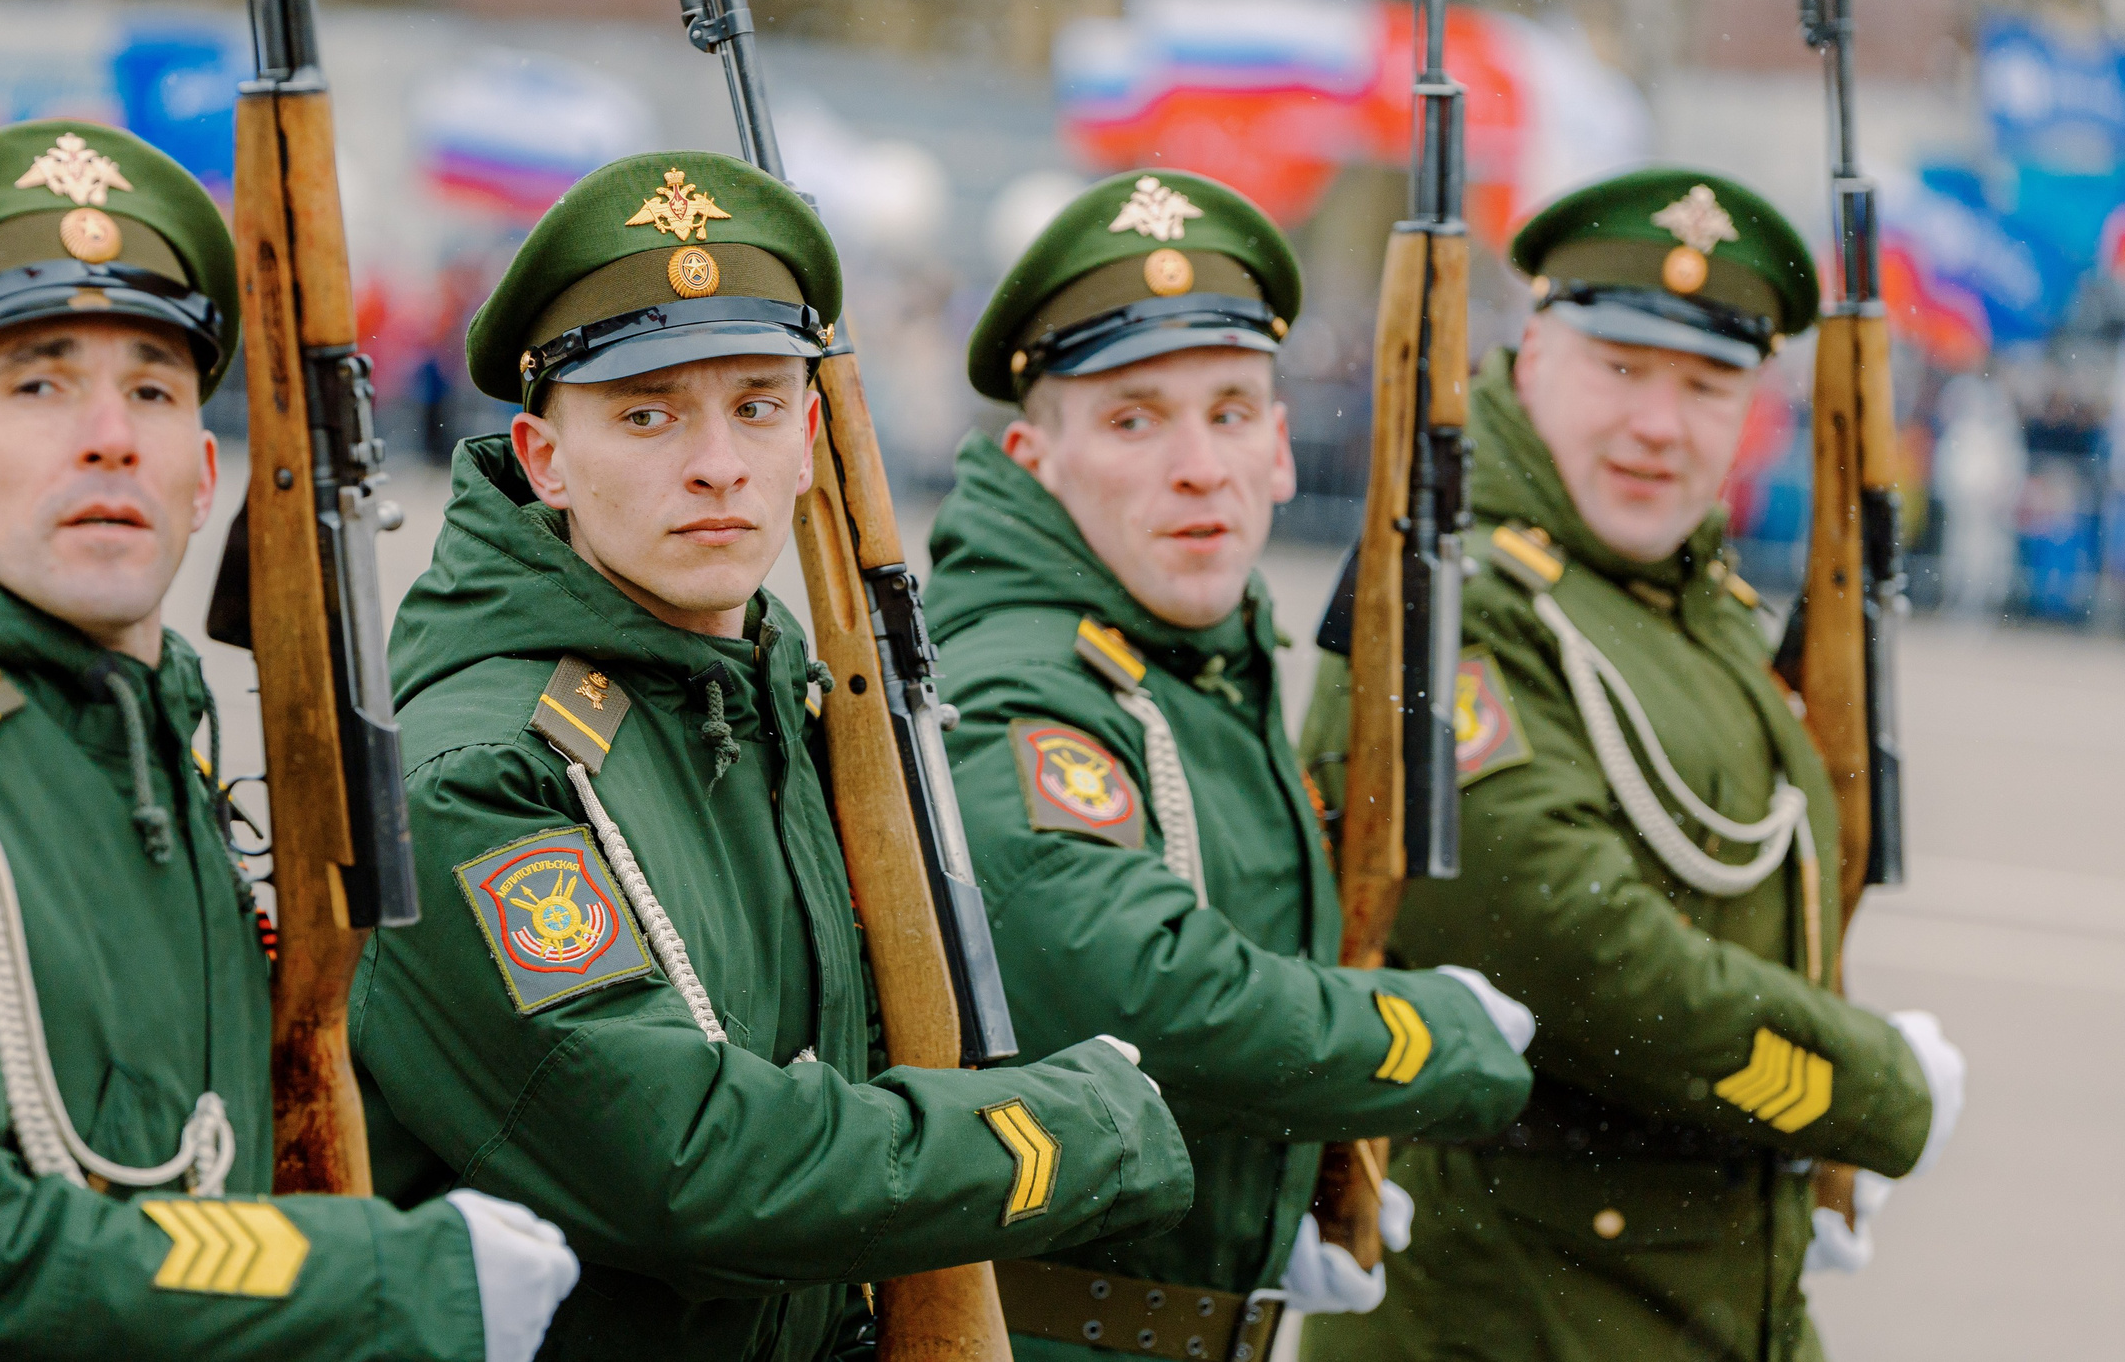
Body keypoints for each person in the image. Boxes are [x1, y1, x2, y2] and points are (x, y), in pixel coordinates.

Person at [0, 121, 577, 1361]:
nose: (111, 433)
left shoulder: (141, 733)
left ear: (201, 474)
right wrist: (386, 1276)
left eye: (153, 391)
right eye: (38, 383)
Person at [351, 150, 1195, 1361]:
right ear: (544, 460)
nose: (715, 463)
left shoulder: (780, 713)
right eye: (647, 413)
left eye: (752, 405)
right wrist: (1071, 1131)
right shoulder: (486, 773)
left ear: (809, 441)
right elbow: (683, 1171)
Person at [1297, 169, 1966, 1362]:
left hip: (1715, 1301)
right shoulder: (1451, 602)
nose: (1660, 425)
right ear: (1533, 353)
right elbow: (1562, 943)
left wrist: (1797, 1148)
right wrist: (1864, 1092)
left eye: (1708, 385)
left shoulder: (1693, 599)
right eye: (1620, 370)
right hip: (1516, 1312)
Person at [924, 169, 1538, 1362]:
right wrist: (1437, 1041)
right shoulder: (1017, 673)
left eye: (1231, 410)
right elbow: (1146, 996)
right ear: (1033, 457)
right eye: (1133, 419)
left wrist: (1262, 1212)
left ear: (1281, 449)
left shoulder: (1200, 658)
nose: (1198, 466)